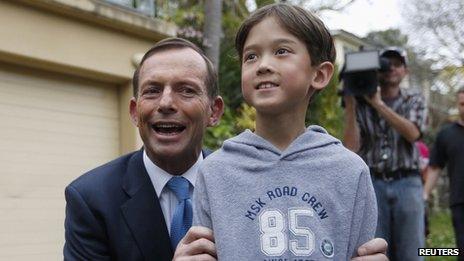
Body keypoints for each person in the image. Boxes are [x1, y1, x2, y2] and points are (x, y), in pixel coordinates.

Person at [64, 37, 388, 260]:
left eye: (186, 90)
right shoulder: (91, 199)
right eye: (152, 91)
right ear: (135, 111)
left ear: (214, 112)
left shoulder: (248, 182)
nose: (165, 103)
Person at [193, 3, 378, 260]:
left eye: (281, 51)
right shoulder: (214, 172)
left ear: (320, 74)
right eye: (251, 56)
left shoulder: (349, 171)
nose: (263, 65)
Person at [344, 46, 428, 260]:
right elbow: (351, 149)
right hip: (373, 184)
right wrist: (351, 104)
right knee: (375, 251)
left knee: (412, 250)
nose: (391, 68)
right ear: (377, 69)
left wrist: (378, 104)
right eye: (386, 63)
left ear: (405, 71)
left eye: (397, 64)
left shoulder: (414, 99)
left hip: (407, 182)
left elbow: (413, 133)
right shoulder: (361, 102)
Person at [424, 87, 464, 260]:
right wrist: (424, 195)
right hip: (460, 202)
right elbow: (434, 167)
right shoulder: (446, 134)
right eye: (463, 104)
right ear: (458, 104)